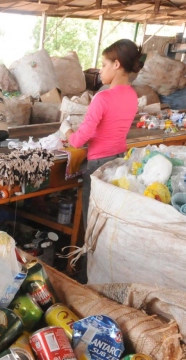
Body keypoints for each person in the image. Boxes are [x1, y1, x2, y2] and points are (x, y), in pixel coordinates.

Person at [60, 39, 141, 229]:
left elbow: (78, 141)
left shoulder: (102, 97)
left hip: (98, 165)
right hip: (119, 161)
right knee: (109, 222)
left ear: (117, 64)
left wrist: (66, 129)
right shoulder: (132, 95)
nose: (100, 70)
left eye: (104, 65)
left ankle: (89, 258)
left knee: (93, 224)